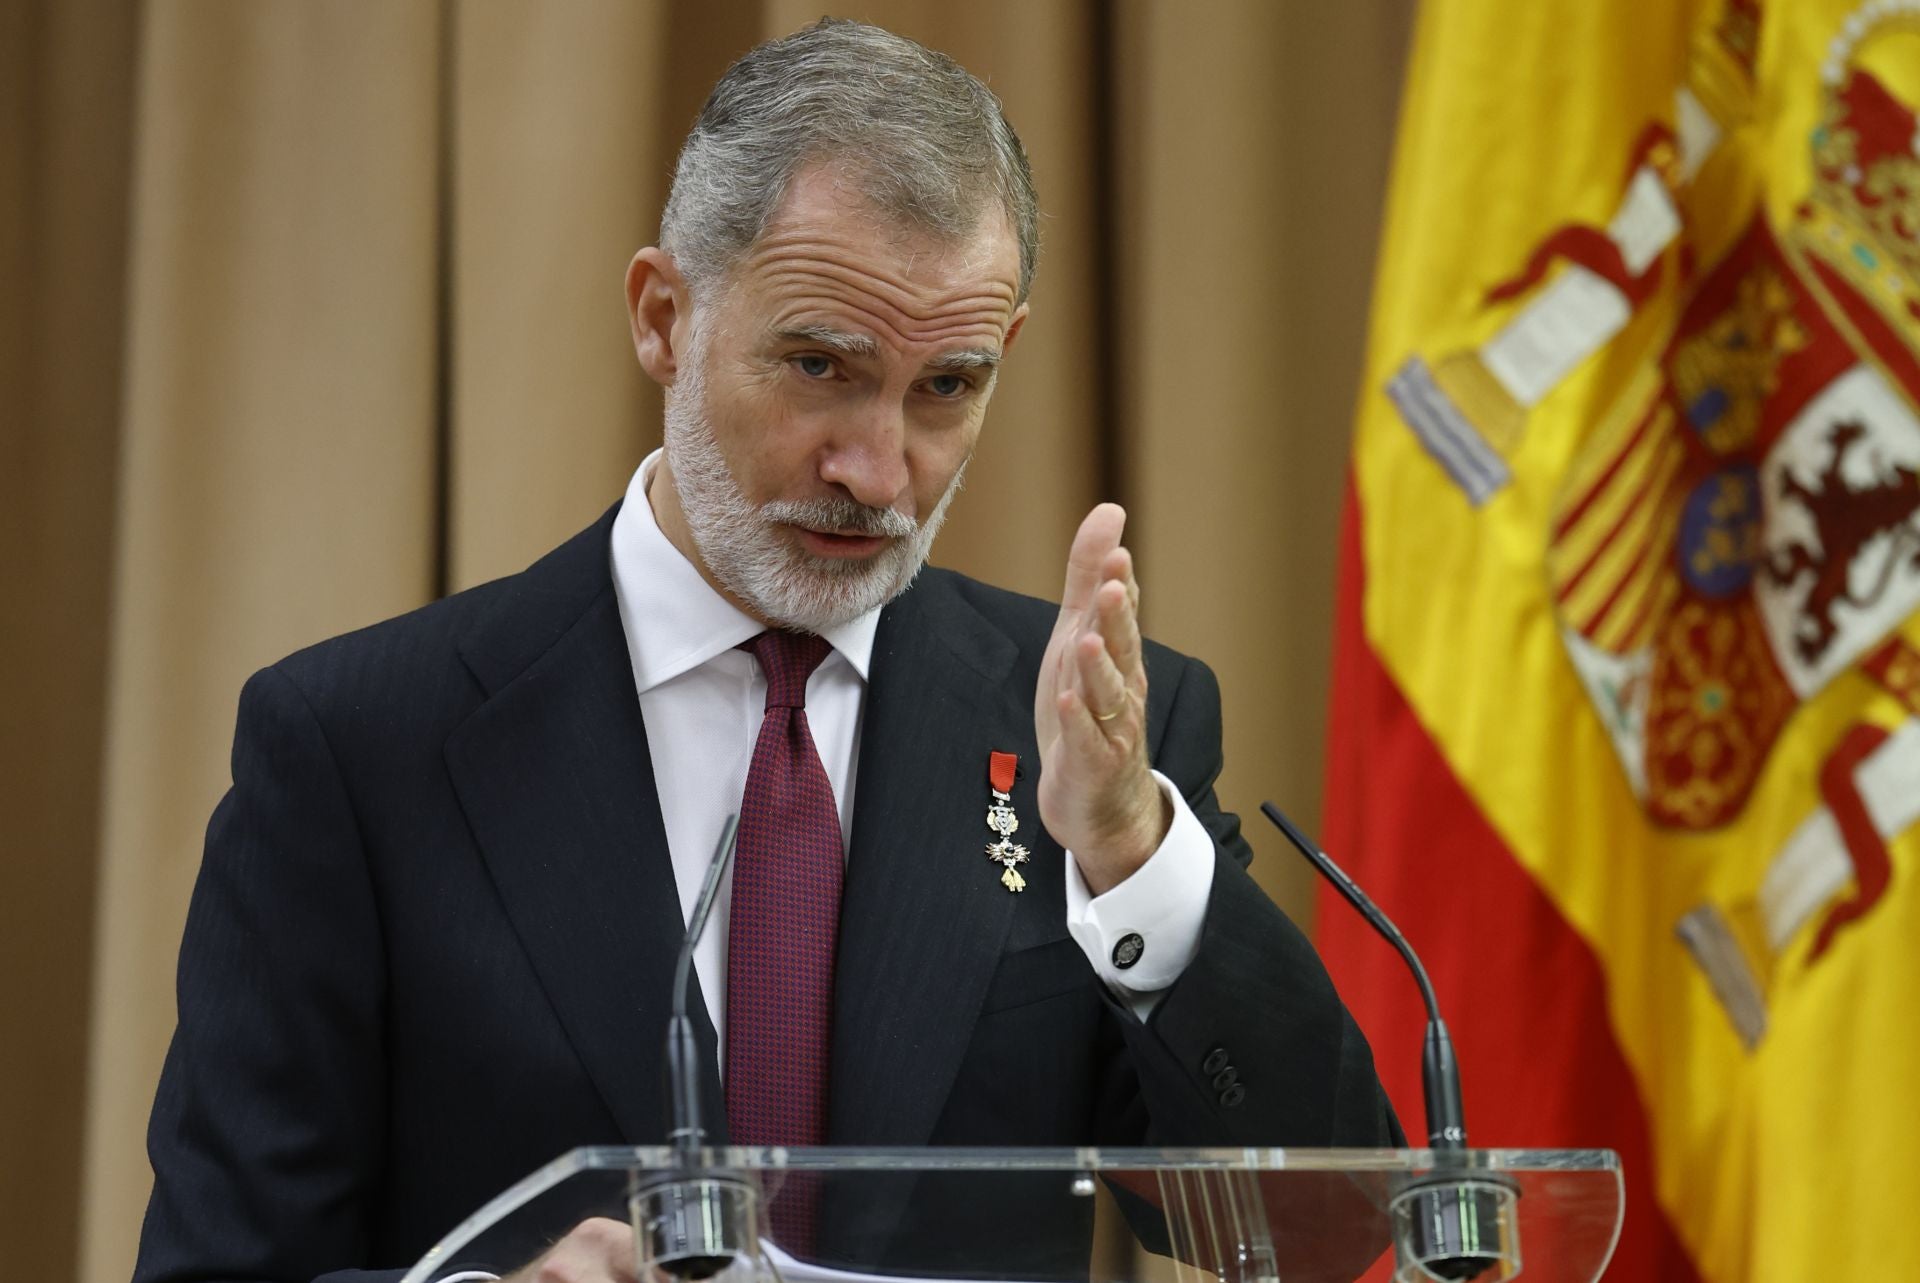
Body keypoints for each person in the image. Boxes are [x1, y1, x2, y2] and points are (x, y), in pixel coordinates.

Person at [133, 19, 1398, 1283]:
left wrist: (1128, 852)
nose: (879, 469)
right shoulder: (358, 748)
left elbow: (1326, 1231)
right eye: (819, 364)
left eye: (945, 387)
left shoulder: (1099, 729)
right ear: (664, 318)